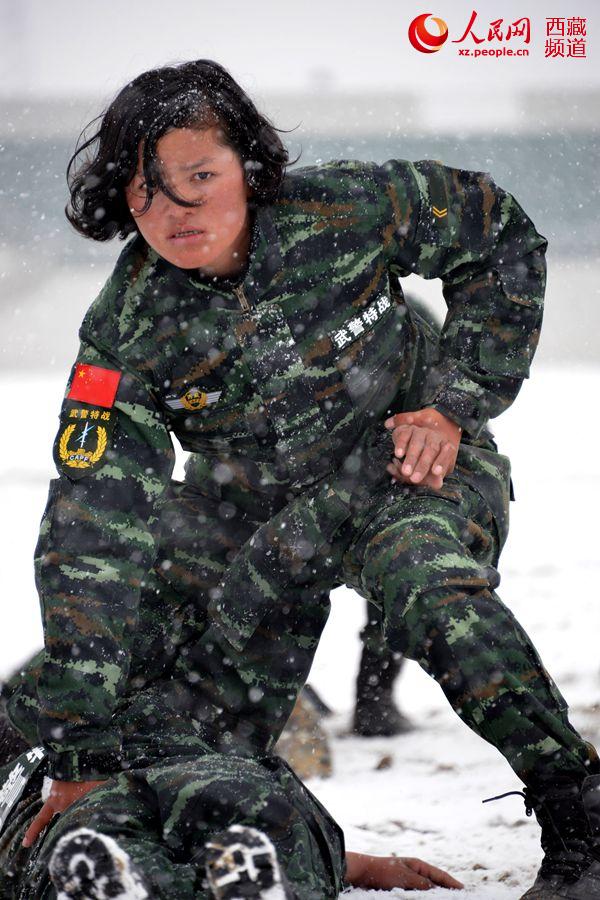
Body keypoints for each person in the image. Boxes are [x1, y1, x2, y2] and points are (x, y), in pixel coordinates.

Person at [4, 57, 600, 899]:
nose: (174, 212)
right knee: (109, 645)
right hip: (251, 511)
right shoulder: (126, 329)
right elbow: (91, 529)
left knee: (423, 583)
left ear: (245, 165)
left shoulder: (350, 206)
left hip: (406, 463)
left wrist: (456, 402)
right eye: (145, 191)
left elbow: (498, 232)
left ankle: (581, 812)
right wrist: (74, 747)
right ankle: (156, 817)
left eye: (198, 178)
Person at [0, 740, 462, 899]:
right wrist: (353, 864)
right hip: (207, 771)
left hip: (68, 814)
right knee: (268, 831)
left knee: (99, 860)